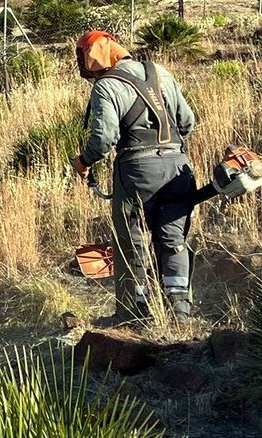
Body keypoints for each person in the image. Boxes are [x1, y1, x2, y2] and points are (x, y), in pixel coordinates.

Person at [72, 30, 198, 323]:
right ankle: (180, 311)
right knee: (173, 237)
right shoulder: (161, 72)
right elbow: (187, 121)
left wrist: (85, 161)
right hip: (178, 167)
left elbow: (104, 138)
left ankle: (133, 314)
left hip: (138, 173)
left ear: (92, 59)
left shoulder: (108, 86)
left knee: (133, 241)